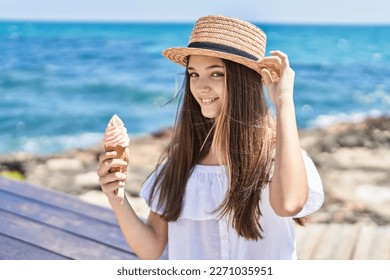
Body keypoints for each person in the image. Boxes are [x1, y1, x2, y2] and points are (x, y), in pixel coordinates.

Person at [97, 15, 324, 260]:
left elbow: (289, 204)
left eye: (216, 74)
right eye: (193, 74)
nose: (200, 86)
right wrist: (116, 198)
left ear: (244, 81)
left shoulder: (275, 157)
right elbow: (151, 249)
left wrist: (284, 103)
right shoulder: (182, 159)